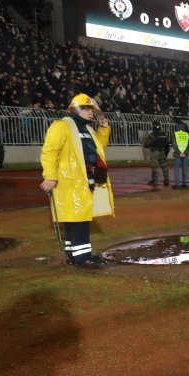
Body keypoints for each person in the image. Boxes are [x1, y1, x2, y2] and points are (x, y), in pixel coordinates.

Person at [39, 93, 115, 267]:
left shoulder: (87, 129)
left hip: (83, 180)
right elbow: (49, 151)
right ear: (77, 109)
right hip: (69, 182)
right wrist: (50, 176)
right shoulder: (61, 126)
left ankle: (73, 254)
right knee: (79, 219)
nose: (92, 113)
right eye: (88, 109)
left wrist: (103, 129)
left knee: (76, 219)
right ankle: (82, 258)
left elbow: (98, 148)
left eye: (92, 110)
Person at [145, 120, 170, 187]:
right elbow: (167, 144)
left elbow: (147, 143)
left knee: (154, 166)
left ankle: (155, 181)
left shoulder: (152, 135)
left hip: (155, 152)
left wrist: (146, 145)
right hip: (162, 152)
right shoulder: (164, 134)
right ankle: (167, 180)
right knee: (164, 166)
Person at [171, 120, 189, 188]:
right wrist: (185, 153)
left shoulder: (175, 134)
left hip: (177, 154)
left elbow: (174, 144)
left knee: (177, 169)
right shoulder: (187, 134)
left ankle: (177, 184)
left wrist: (179, 152)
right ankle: (185, 184)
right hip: (185, 154)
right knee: (184, 169)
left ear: (177, 127)